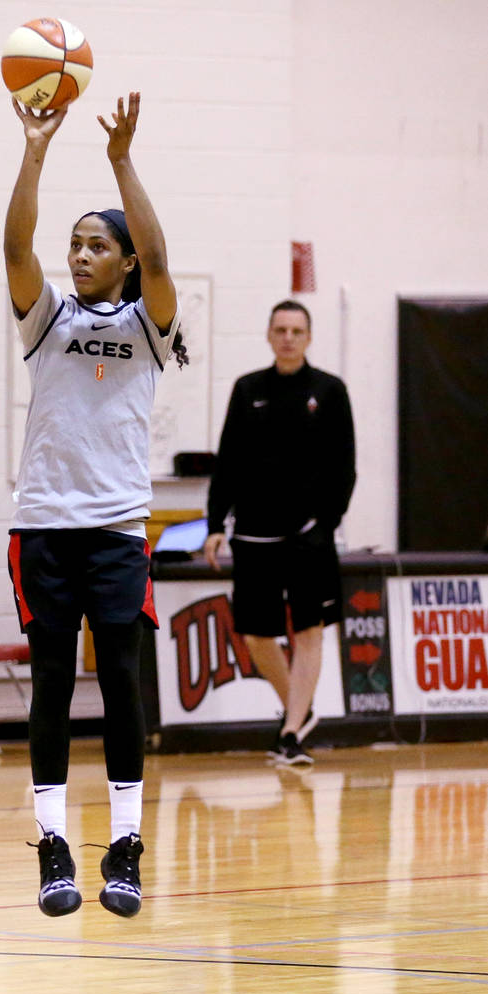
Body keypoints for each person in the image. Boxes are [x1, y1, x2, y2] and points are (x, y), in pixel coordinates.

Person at [4, 92, 185, 917]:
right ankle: (50, 844)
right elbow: (14, 245)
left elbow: (159, 248)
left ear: (122, 262)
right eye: (74, 243)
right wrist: (36, 150)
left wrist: (120, 158)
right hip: (43, 523)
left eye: (94, 245)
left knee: (119, 679)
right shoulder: (46, 320)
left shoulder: (150, 324)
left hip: (115, 530)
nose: (79, 254)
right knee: (49, 682)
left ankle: (123, 844)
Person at [203, 300, 355, 766]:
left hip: (309, 536)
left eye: (297, 330)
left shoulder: (329, 391)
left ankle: (289, 732)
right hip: (253, 534)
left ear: (308, 337)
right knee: (256, 635)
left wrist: (325, 524)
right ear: (269, 336)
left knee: (309, 631)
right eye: (281, 330)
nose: (288, 337)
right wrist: (214, 525)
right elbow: (226, 461)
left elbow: (344, 467)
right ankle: (300, 713)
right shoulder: (247, 389)